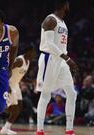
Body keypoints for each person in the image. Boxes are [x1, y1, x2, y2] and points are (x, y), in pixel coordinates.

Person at [35, 0, 79, 134]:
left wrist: (65, 59)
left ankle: (69, 130)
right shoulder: (50, 19)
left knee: (72, 93)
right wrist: (67, 58)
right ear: (65, 5)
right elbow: (48, 43)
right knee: (46, 95)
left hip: (61, 60)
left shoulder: (63, 22)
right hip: (49, 58)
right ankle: (40, 130)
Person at [0, 45, 36, 134]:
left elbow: (22, 77)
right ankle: (4, 128)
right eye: (33, 52)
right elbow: (6, 69)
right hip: (9, 83)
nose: (34, 54)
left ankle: (5, 128)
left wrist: (32, 81)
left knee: (19, 108)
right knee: (15, 109)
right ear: (28, 52)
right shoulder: (19, 60)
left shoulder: (28, 62)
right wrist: (5, 84)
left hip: (16, 85)